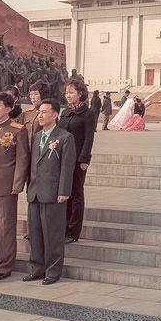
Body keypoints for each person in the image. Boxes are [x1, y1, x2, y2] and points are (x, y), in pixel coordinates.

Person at [23, 98, 76, 285]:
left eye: (45, 112)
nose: (40, 115)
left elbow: (67, 168)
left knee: (53, 234)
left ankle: (53, 271)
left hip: (54, 194)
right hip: (35, 192)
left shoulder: (65, 137)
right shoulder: (37, 136)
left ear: (55, 115)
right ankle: (37, 268)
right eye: (39, 112)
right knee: (35, 233)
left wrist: (64, 191)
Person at [0, 92, 30, 280]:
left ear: (8, 109)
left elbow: (22, 160)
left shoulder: (18, 130)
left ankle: (5, 266)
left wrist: (17, 185)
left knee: (6, 227)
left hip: (7, 186)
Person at [59, 79, 96, 244]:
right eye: (67, 93)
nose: (68, 96)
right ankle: (63, 227)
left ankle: (73, 231)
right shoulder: (65, 113)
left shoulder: (88, 114)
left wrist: (84, 159)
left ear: (80, 94)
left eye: (71, 93)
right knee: (64, 193)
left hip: (77, 160)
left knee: (76, 194)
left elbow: (89, 138)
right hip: (63, 159)